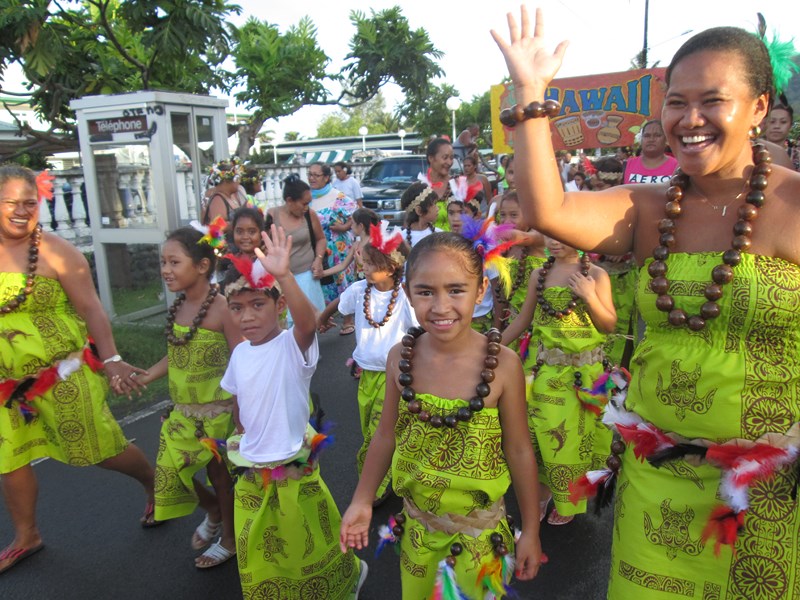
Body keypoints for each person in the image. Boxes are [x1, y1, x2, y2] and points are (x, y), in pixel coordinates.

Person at [493, 8, 800, 596]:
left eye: (713, 100)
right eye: (675, 102)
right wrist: (530, 98)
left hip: (768, 495)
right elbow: (547, 212)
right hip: (655, 484)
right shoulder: (647, 209)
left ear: (760, 107)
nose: (689, 120)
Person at [340, 232, 543, 599]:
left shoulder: (504, 366)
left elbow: (519, 450)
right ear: (406, 290)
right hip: (417, 534)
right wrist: (361, 499)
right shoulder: (400, 358)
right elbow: (386, 435)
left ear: (480, 290)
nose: (441, 306)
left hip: (480, 541)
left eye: (455, 290)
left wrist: (531, 529)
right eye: (426, 291)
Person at [0, 165, 157, 574]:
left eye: (30, 203)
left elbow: (91, 308)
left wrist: (112, 359)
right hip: (5, 386)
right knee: (9, 458)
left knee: (99, 448)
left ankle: (157, 482)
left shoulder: (56, 252)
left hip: (63, 374)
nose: (21, 211)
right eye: (10, 203)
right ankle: (26, 535)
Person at [221, 225, 367, 598]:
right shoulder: (239, 353)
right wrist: (243, 435)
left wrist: (284, 275)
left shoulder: (292, 345)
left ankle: (348, 573)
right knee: (263, 543)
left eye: (258, 305)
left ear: (279, 305)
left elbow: (307, 323)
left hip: (293, 464)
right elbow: (238, 402)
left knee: (309, 538)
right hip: (253, 464)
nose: (247, 317)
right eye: (237, 308)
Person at [136, 227, 241, 568]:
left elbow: (242, 363)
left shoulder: (223, 308)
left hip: (218, 413)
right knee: (168, 472)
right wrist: (150, 373)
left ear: (202, 265)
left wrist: (241, 415)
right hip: (183, 412)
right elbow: (179, 353)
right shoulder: (179, 306)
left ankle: (229, 538)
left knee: (220, 477)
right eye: (162, 262)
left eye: (174, 262)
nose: (165, 269)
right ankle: (212, 509)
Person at [501, 236, 616, 526]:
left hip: (585, 377)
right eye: (547, 235)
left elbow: (609, 324)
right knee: (539, 435)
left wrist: (589, 296)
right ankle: (541, 493)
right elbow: (523, 320)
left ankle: (566, 498)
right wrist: (490, 348)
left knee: (573, 441)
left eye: (560, 236)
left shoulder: (597, 275)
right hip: (546, 372)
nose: (553, 242)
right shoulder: (538, 275)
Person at [317, 224, 416, 505]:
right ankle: (387, 475)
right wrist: (322, 317)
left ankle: (376, 486)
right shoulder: (360, 290)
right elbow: (340, 302)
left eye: (372, 262)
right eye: (365, 259)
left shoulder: (405, 295)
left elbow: (421, 330)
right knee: (367, 427)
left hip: (394, 377)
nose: (364, 265)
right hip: (367, 375)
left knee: (378, 431)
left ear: (393, 265)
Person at [307, 162, 357, 334]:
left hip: (339, 249)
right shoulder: (307, 199)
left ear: (326, 177)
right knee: (322, 284)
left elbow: (354, 216)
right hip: (317, 250)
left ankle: (348, 320)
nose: (312, 178)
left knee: (342, 282)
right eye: (309, 174)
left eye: (316, 175)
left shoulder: (338, 196)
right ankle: (325, 318)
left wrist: (344, 227)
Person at [268, 175, 326, 317]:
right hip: (282, 280)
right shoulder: (271, 216)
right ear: (289, 201)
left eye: (309, 203)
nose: (307, 208)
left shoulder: (309, 215)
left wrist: (318, 259)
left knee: (311, 320)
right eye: (304, 204)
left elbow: (321, 239)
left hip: (307, 277)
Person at [422, 138, 455, 230]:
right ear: (431, 158)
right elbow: (410, 223)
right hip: (427, 243)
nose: (449, 162)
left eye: (451, 158)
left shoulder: (458, 185)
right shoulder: (420, 188)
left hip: (453, 243)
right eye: (445, 157)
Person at [201, 160, 248, 224]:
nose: (239, 182)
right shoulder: (217, 200)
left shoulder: (230, 197)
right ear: (226, 180)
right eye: (237, 178)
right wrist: (238, 224)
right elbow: (216, 227)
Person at [400, 182, 442, 250]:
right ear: (419, 211)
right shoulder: (401, 239)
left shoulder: (440, 235)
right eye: (433, 204)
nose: (437, 208)